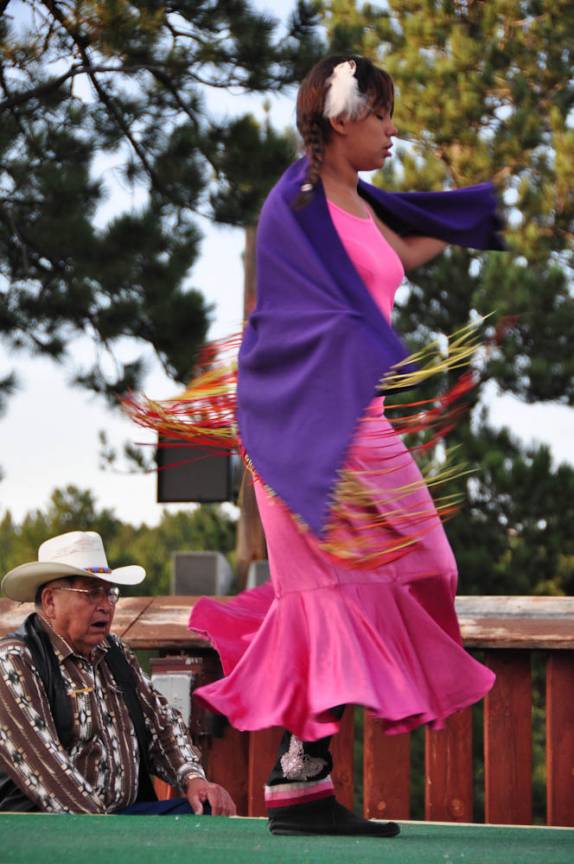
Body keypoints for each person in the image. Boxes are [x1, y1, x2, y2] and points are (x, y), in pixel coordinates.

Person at [128, 55, 503, 837]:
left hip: (359, 420)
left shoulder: (361, 201)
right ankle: (304, 782)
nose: (393, 129)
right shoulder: (293, 205)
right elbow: (281, 329)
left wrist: (472, 215)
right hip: (301, 430)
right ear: (341, 119)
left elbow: (399, 254)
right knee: (328, 602)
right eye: (383, 114)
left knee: (430, 568)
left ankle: (301, 772)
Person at [0, 530, 236, 816]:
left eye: (109, 593)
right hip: (46, 830)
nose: (106, 605)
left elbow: (162, 724)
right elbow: (48, 773)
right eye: (91, 593)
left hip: (122, 818)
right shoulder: (14, 661)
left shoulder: (114, 652)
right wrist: (113, 836)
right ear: (50, 601)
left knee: (207, 812)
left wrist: (193, 778)